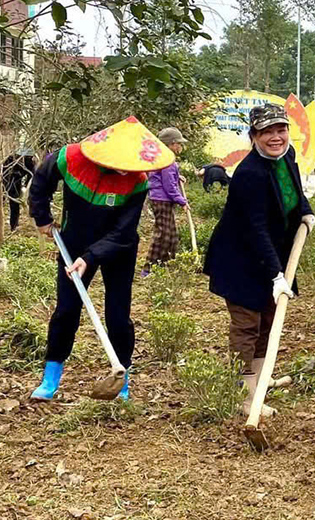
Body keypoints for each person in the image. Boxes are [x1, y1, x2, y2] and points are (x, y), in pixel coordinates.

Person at [28, 117, 174, 401]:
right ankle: (50, 377)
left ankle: (123, 379)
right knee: (66, 310)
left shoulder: (138, 181)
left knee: (118, 315)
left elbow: (124, 231)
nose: (130, 168)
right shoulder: (68, 158)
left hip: (119, 249)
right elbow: (41, 182)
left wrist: (91, 257)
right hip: (73, 243)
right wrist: (42, 218)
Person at [204, 103, 315, 418]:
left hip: (272, 254)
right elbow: (255, 229)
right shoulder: (249, 174)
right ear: (254, 136)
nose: (276, 137)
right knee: (247, 324)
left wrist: (304, 211)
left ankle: (256, 383)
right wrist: (276, 275)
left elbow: (295, 188)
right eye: (267, 132)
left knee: (268, 319)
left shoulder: (287, 156)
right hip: (239, 259)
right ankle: (243, 394)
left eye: (281, 129)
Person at [142, 127, 188, 276]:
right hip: (161, 200)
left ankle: (165, 264)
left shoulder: (164, 158)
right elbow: (169, 186)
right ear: (172, 144)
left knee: (172, 235)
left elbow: (166, 177)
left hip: (163, 199)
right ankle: (149, 268)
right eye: (179, 144)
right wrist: (182, 201)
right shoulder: (167, 160)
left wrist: (177, 177)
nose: (180, 147)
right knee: (163, 234)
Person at [2, 149, 35, 231]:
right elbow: (4, 172)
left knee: (15, 205)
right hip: (7, 181)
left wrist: (26, 187)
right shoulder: (10, 159)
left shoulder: (29, 162)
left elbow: (31, 175)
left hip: (17, 183)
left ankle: (13, 225)